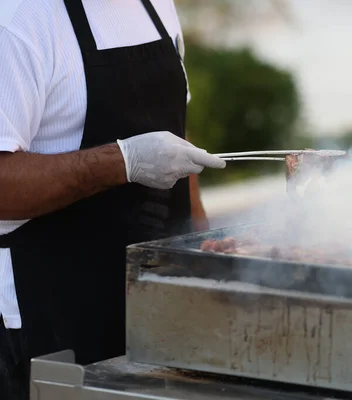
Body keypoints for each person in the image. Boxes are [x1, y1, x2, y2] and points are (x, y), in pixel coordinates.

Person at [0, 0, 226, 398]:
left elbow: (177, 138)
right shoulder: (20, 19)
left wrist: (204, 256)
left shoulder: (156, 5)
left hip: (161, 317)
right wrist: (123, 161)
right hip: (51, 329)